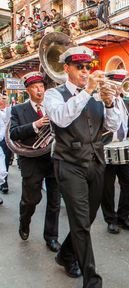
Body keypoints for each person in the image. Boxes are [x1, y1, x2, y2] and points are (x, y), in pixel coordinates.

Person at [44, 46, 121, 287]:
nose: (85, 71)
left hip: (96, 162)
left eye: (88, 67)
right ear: (66, 68)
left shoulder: (96, 94)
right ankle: (92, 280)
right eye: (80, 67)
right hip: (68, 164)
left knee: (87, 218)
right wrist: (88, 90)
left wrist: (109, 103)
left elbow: (114, 126)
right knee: (79, 221)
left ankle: (65, 255)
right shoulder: (53, 95)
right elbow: (62, 117)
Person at [9, 72, 61, 252]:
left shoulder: (53, 105)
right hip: (31, 160)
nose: (40, 90)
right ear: (28, 90)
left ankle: (51, 237)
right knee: (31, 199)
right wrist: (35, 125)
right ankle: (25, 221)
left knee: (55, 201)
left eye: (42, 86)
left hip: (54, 158)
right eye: (35, 87)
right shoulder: (18, 110)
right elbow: (13, 133)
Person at [101, 70, 129, 234]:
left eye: (120, 84)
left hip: (123, 148)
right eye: (115, 84)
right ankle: (110, 219)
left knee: (127, 184)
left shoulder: (126, 104)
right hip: (107, 148)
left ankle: (124, 216)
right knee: (107, 186)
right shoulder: (101, 102)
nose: (118, 88)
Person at [0, 92, 12, 194]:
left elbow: (10, 121)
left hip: (5, 140)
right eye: (1, 98)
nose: (2, 99)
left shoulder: (9, 110)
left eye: (3, 98)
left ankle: (4, 183)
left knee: (5, 162)